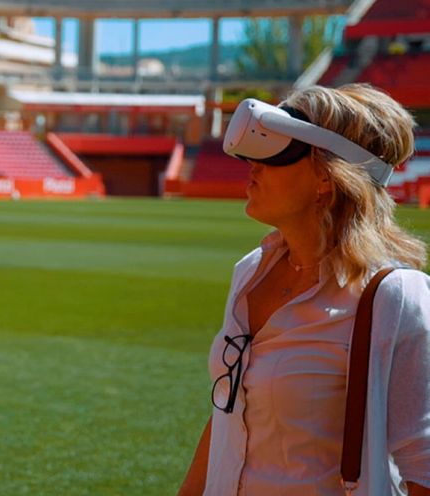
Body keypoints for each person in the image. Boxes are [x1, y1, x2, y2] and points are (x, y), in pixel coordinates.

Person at [178, 84, 430, 495]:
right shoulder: (251, 272)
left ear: (326, 180)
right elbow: (229, 413)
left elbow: (423, 464)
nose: (253, 168)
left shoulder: (392, 296)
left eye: (276, 156)